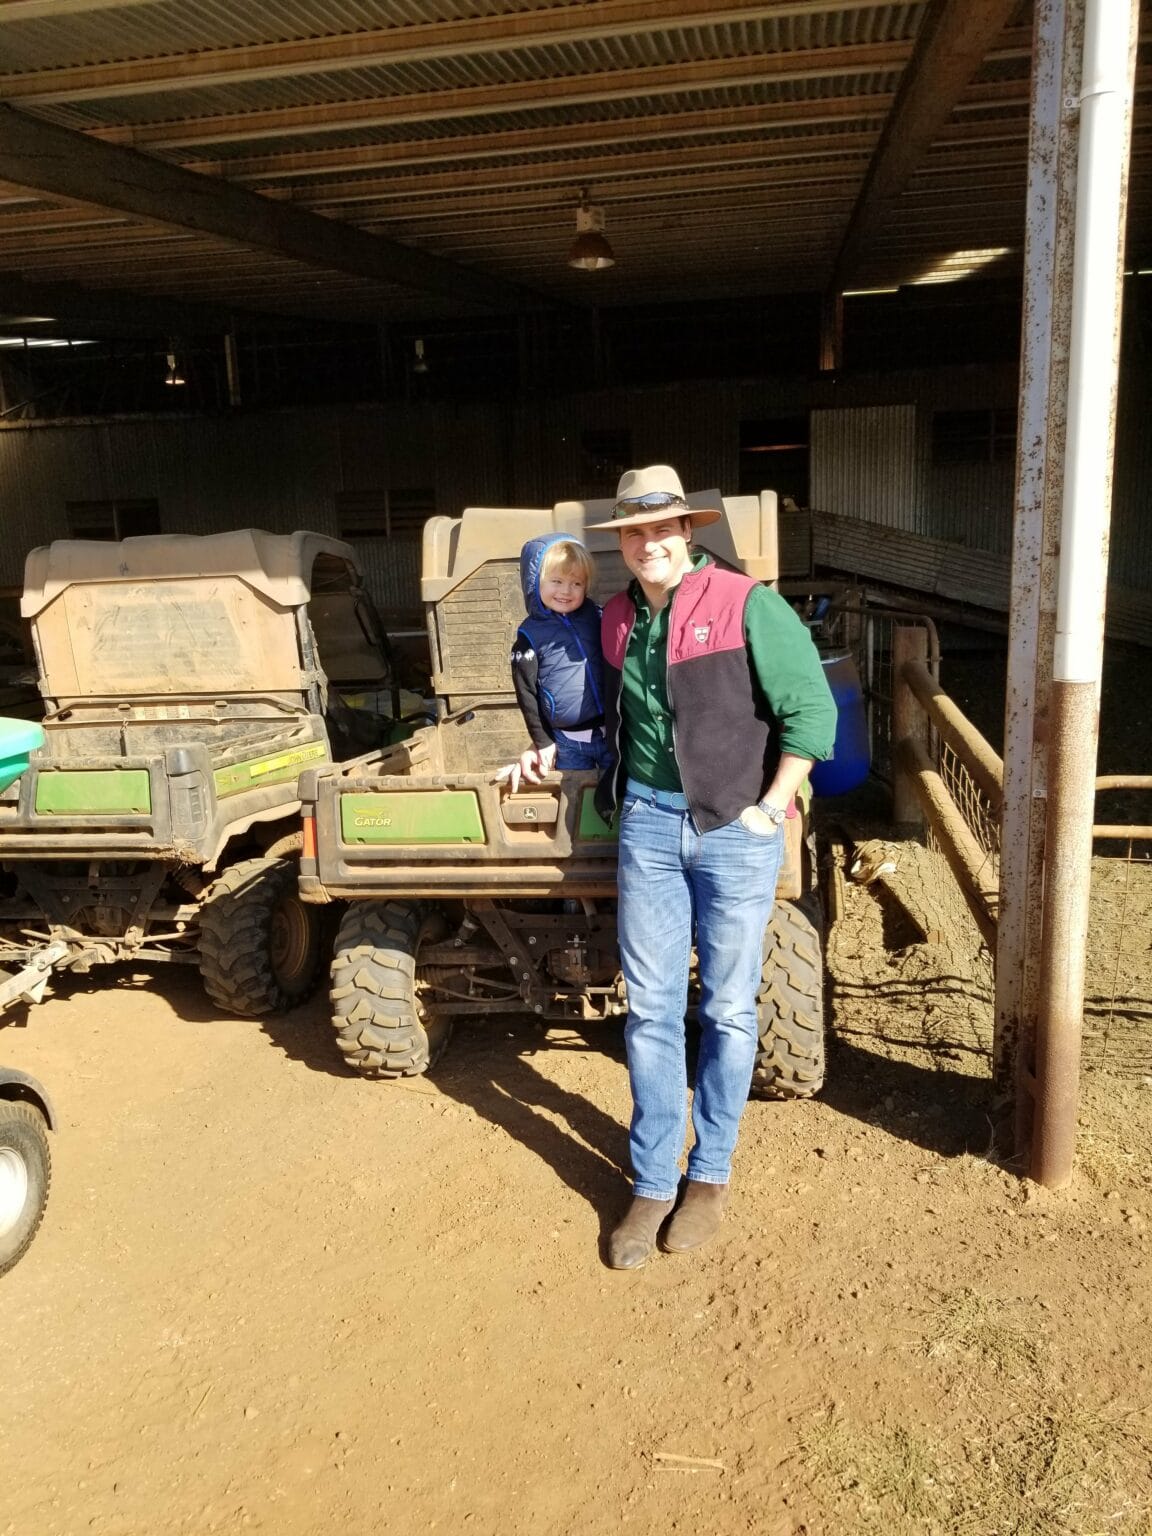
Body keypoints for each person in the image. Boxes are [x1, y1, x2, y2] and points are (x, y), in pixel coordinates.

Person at [586, 465, 837, 1270]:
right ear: (622, 543)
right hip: (650, 827)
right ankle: (653, 1181)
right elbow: (603, 712)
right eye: (634, 531)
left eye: (662, 528)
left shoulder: (746, 603)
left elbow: (811, 711)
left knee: (727, 1008)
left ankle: (710, 1174)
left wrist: (772, 806)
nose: (648, 542)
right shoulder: (617, 618)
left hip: (735, 827)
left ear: (687, 532)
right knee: (652, 1010)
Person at [500, 533, 614, 791]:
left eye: (576, 583)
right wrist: (542, 742)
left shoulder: (597, 616)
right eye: (557, 581)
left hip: (610, 734)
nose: (566, 591)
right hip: (567, 743)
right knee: (574, 799)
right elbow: (526, 694)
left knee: (615, 792)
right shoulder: (529, 636)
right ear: (535, 582)